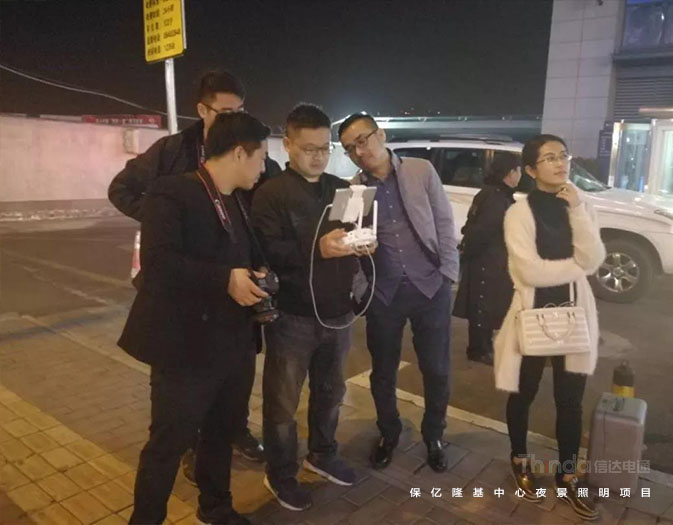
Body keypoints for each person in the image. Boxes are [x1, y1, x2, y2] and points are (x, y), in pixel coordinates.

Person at [108, 70, 266, 474]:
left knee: (228, 390)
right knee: (176, 400)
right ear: (202, 110)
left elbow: (263, 198)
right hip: (181, 293)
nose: (234, 118)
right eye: (226, 112)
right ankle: (184, 444)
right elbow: (121, 189)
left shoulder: (247, 156)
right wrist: (162, 220)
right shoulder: (172, 151)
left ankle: (232, 434)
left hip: (230, 296)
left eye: (240, 111)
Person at [251, 104, 370, 511]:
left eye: (324, 148)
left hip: (339, 312)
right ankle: (280, 472)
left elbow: (353, 232)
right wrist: (316, 247)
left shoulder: (341, 188)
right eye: (308, 149)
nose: (318, 156)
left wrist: (362, 242)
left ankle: (322, 453)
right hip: (293, 314)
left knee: (331, 391)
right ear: (287, 145)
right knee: (282, 401)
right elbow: (268, 250)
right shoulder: (271, 193)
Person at [338, 113, 459, 473]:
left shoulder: (421, 170)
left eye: (363, 140)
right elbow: (348, 243)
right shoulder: (352, 191)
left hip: (430, 287)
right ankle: (388, 432)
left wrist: (448, 274)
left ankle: (434, 435)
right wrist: (362, 287)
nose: (359, 152)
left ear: (381, 134)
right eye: (349, 148)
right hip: (384, 294)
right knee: (383, 372)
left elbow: (444, 221)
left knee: (436, 369)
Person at [494, 134, 605, 521]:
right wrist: (576, 268)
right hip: (532, 313)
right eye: (550, 158)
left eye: (564, 156)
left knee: (570, 401)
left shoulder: (580, 203)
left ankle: (568, 474)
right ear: (530, 169)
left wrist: (577, 212)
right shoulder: (519, 213)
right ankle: (520, 459)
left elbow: (594, 257)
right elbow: (529, 271)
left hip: (573, 314)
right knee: (523, 392)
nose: (560, 164)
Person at [453, 153, 521, 365]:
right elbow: (483, 231)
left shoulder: (492, 193)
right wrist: (472, 255)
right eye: (518, 171)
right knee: (483, 304)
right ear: (510, 173)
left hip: (488, 258)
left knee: (486, 303)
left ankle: (484, 346)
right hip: (487, 260)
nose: (520, 176)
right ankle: (478, 349)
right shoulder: (496, 198)